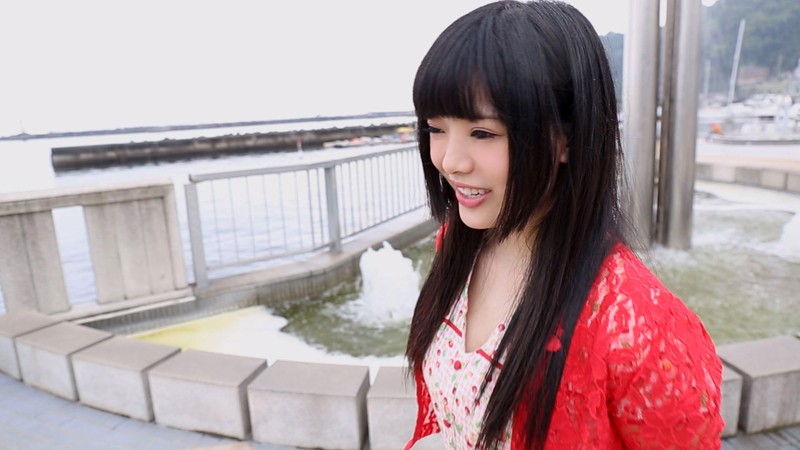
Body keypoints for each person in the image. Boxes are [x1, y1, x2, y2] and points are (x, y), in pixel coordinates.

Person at [404, 1, 724, 449]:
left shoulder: (635, 325)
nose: (450, 161)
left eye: (483, 133)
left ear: (567, 139)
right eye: (436, 129)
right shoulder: (459, 245)